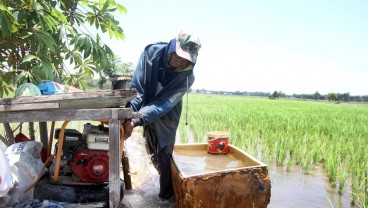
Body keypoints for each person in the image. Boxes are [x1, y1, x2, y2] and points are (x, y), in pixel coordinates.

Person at [123, 31, 201, 200]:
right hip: (146, 102)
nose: (179, 61)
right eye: (179, 56)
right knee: (150, 148)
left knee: (165, 153)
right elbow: (138, 90)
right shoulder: (150, 54)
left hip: (168, 110)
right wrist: (127, 115)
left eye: (185, 60)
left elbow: (163, 103)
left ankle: (166, 196)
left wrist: (136, 120)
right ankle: (160, 178)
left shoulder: (187, 76)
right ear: (173, 47)